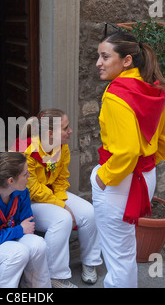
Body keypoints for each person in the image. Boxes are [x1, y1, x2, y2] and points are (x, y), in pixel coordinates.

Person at [92, 29, 165, 288]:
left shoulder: (116, 94)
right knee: (125, 250)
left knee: (119, 255)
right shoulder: (151, 88)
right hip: (144, 176)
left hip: (119, 180)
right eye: (98, 56)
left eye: (105, 57)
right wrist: (152, 159)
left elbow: (127, 151)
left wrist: (104, 177)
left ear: (126, 60)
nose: (98, 63)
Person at [12, 108, 102, 288]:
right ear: (50, 133)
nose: (70, 131)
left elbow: (61, 178)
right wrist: (61, 205)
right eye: (65, 128)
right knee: (62, 218)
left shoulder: (62, 147)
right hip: (27, 201)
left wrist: (60, 199)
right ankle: (55, 276)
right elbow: (33, 189)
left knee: (89, 212)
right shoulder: (27, 151)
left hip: (51, 193)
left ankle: (90, 262)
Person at [0, 152, 51, 288]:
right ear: (10, 180)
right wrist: (18, 229)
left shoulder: (22, 192)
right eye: (25, 174)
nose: (29, 176)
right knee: (19, 252)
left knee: (38, 244)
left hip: (9, 238)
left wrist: (20, 230)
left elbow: (27, 225)